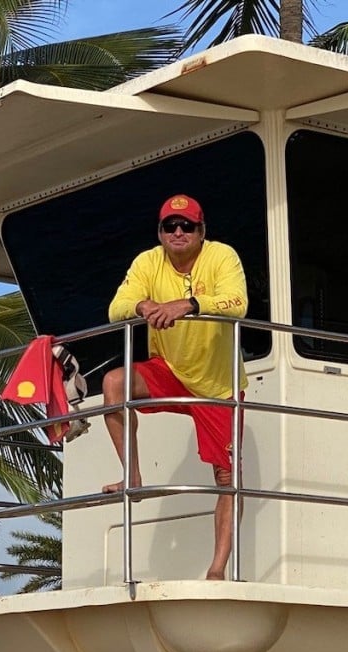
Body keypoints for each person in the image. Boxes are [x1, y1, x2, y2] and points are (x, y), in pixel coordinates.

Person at [103, 194, 248, 580]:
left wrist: (187, 305)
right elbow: (117, 306)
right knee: (114, 384)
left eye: (187, 226)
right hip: (168, 369)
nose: (178, 232)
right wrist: (144, 307)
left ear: (202, 231)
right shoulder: (148, 261)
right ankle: (132, 475)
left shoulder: (222, 256)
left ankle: (217, 570)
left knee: (227, 479)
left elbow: (238, 303)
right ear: (160, 232)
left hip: (219, 385)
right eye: (170, 226)